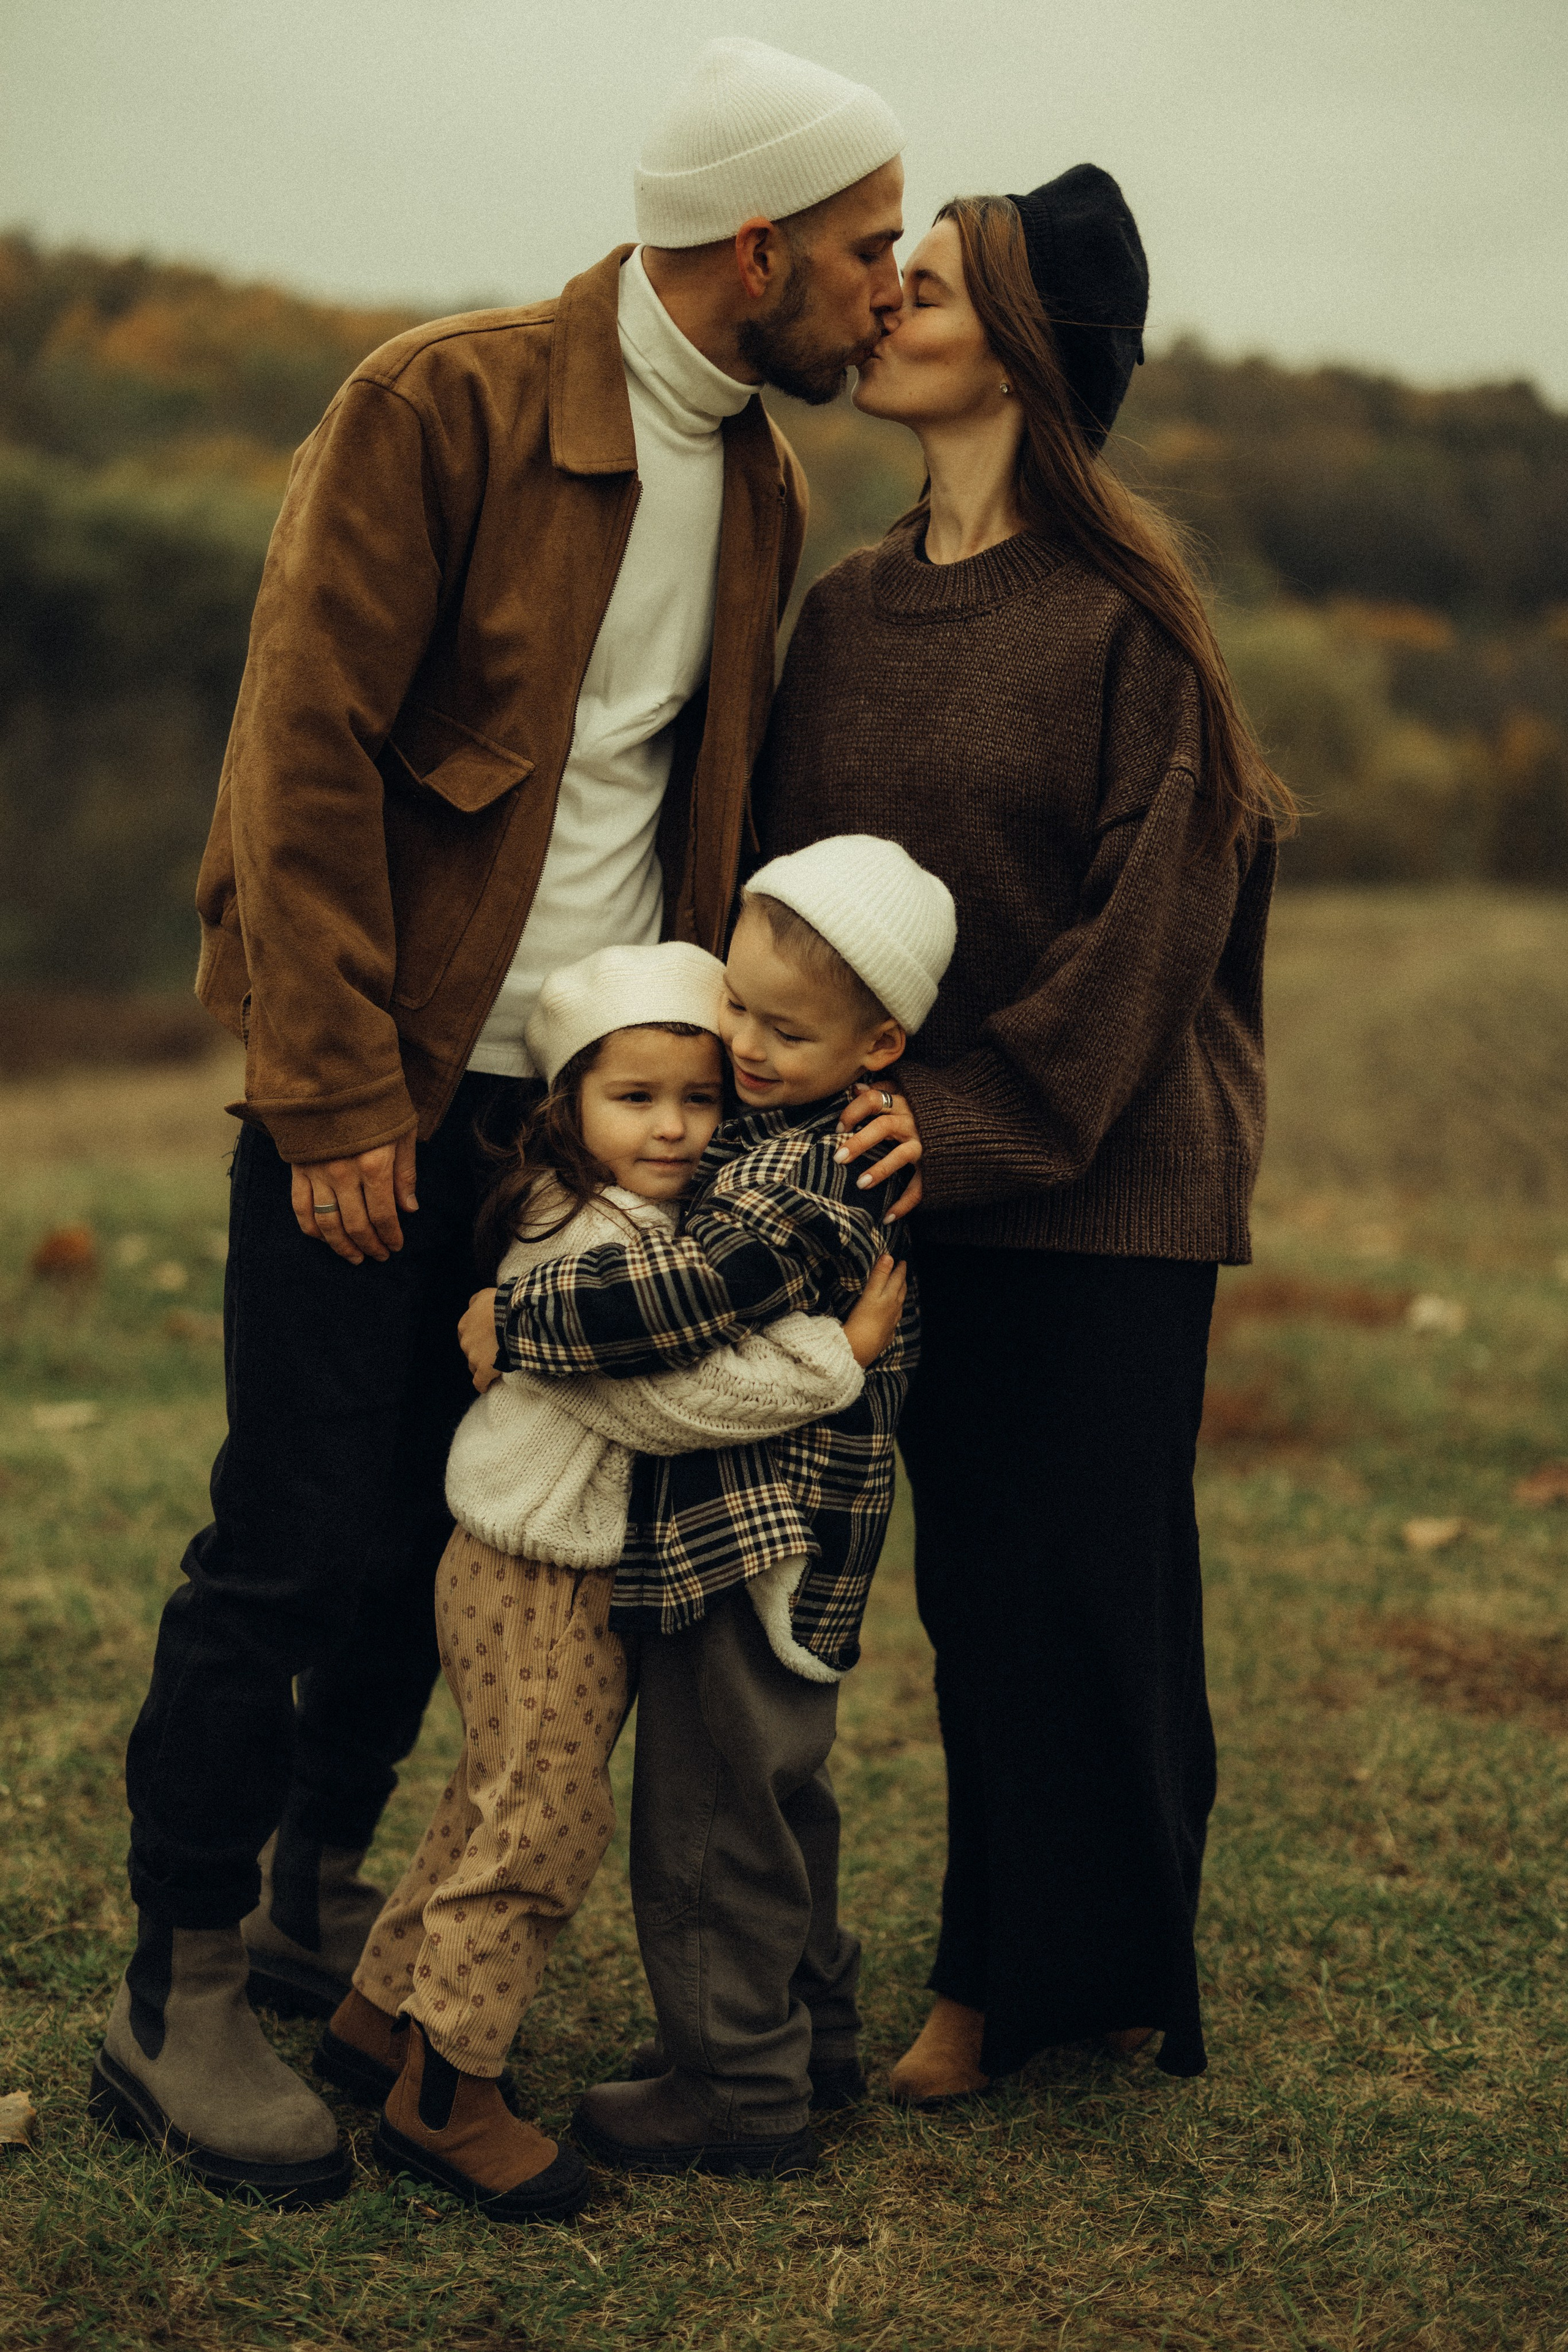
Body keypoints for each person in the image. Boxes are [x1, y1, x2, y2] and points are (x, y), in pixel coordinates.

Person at [91, 40, 907, 2204]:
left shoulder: (763, 480)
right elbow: (302, 758)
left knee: (459, 1531)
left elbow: (699, 819)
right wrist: (342, 1093)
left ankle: (307, 1895)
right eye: (863, 251)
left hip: (587, 1113)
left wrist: (730, 1117)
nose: (888, 291)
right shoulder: (437, 404)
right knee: (298, 1526)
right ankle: (168, 1992)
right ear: (757, 253)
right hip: (378, 1078)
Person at [753, 168, 1294, 2095]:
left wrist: (970, 1118)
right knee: (974, 1584)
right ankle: (1088, 1961)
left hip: (1106, 1172)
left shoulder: (1132, 621)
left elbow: (1158, 931)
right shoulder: (845, 614)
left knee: (1084, 1590)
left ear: (1033, 348)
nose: (888, 296)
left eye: (941, 281)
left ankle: (1011, 1991)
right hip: (905, 1177)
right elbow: (792, 899)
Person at [306, 938, 906, 2222]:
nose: (678, 1127)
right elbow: (662, 1402)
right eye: (635, 1100)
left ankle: (374, 2023)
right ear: (566, 1105)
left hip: (546, 1559)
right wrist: (833, 1358)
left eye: (699, 1099)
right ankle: (447, 2090)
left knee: (489, 1794)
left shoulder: (665, 1215)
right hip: (538, 1568)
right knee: (543, 1821)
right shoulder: (574, 1231)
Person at [488, 835, 954, 2176]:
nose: (742, 1043)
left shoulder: (803, 1181)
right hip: (769, 1541)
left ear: (876, 1049)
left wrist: (513, 1315)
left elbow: (668, 1300)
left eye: (784, 1030)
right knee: (773, 1798)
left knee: (707, 1815)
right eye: (735, 1007)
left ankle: (735, 2092)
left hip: (749, 1546)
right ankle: (806, 2037)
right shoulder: (779, 1126)